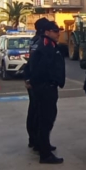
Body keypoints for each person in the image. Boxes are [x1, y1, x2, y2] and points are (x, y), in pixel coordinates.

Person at [27, 20, 66, 164]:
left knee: (41, 117)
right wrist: (47, 82)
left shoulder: (42, 43)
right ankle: (45, 153)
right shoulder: (45, 45)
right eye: (56, 31)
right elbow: (41, 68)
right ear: (47, 32)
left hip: (43, 86)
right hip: (46, 87)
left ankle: (41, 144)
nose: (58, 34)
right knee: (46, 119)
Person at [26, 18, 52, 152]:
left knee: (34, 111)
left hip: (33, 81)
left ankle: (36, 140)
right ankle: (37, 141)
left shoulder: (34, 40)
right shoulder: (41, 43)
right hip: (39, 83)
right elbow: (37, 65)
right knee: (38, 113)